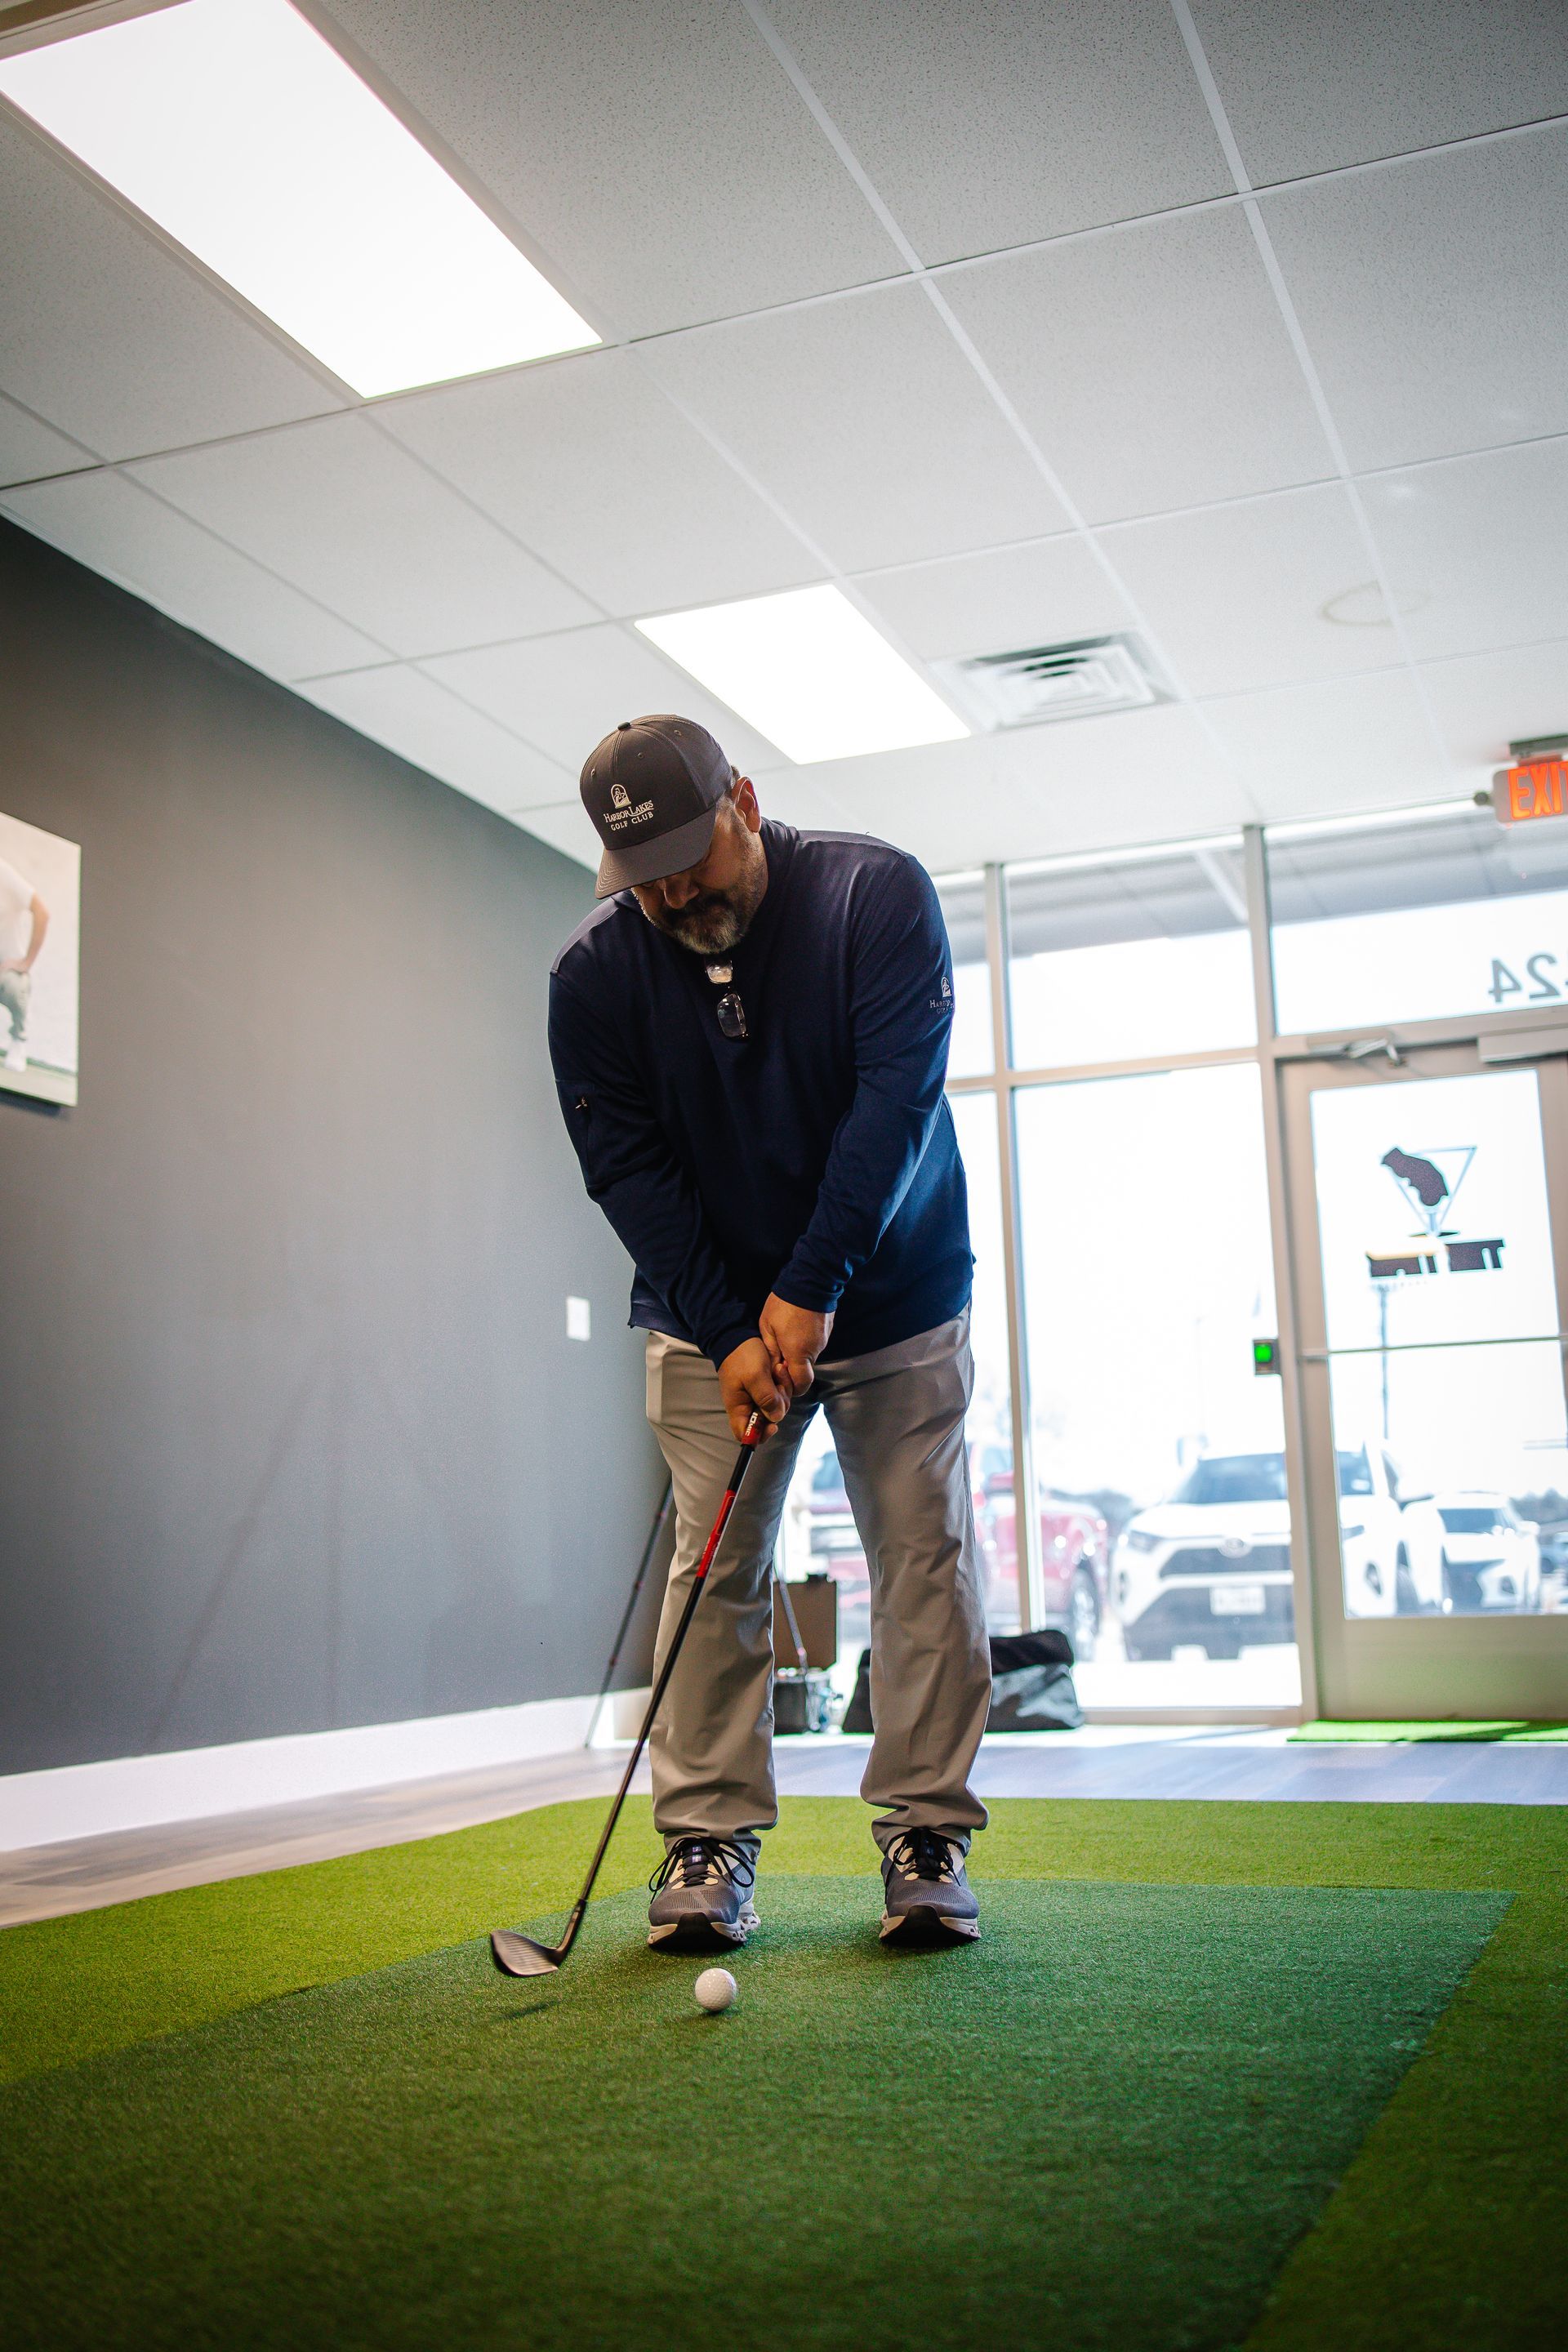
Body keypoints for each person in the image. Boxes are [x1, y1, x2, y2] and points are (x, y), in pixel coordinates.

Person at [550, 713, 991, 1953]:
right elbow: (626, 1170)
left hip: (896, 1296)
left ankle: (926, 1830)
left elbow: (892, 1108)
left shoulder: (873, 896)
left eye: (693, 851)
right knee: (716, 1565)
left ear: (744, 797)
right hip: (709, 1321)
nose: (676, 890)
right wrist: (733, 1326)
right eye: (646, 876)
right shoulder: (592, 977)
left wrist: (808, 1291)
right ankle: (707, 1836)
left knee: (923, 1556)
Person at [0, 852, 49, 1075]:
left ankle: (18, 1040)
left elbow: (42, 912)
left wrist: (26, 962)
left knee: (14, 986)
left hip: (6, 970)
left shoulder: (4, 874)